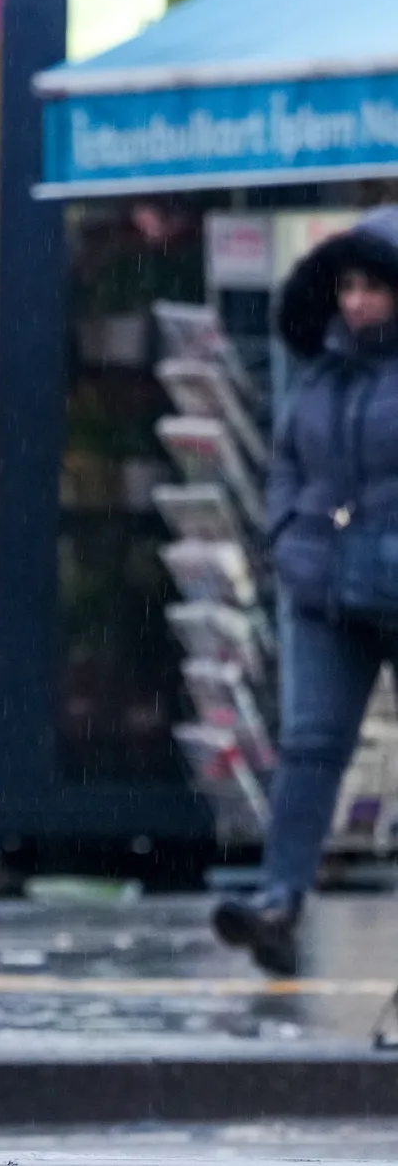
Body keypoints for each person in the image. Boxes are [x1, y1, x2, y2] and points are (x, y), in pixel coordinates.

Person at [215, 208, 398, 980]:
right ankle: (277, 904)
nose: (355, 302)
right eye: (346, 286)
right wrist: (289, 534)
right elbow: (289, 462)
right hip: (323, 587)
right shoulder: (319, 376)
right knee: (308, 745)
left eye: (372, 287)